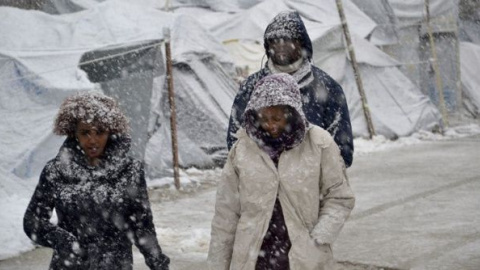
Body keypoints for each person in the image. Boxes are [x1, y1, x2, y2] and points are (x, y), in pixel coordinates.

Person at [208, 73, 355, 270]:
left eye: (277, 118)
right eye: (264, 118)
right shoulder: (242, 150)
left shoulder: (319, 143)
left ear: (292, 113)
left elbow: (339, 197)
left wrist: (320, 237)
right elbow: (226, 214)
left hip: (303, 256)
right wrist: (218, 264)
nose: (270, 125)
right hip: (253, 257)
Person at [23, 91, 170, 270]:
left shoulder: (130, 170)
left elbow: (141, 225)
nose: (92, 140)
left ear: (110, 131)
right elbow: (33, 221)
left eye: (99, 132)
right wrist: (64, 241)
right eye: (85, 133)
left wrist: (158, 262)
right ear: (74, 134)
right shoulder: (55, 171)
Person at [227, 10, 354, 168]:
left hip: (311, 186)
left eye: (287, 39)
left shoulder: (327, 87)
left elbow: (342, 148)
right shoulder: (252, 87)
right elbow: (236, 140)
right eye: (274, 40)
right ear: (268, 46)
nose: (280, 45)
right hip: (264, 185)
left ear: (301, 43)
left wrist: (317, 176)